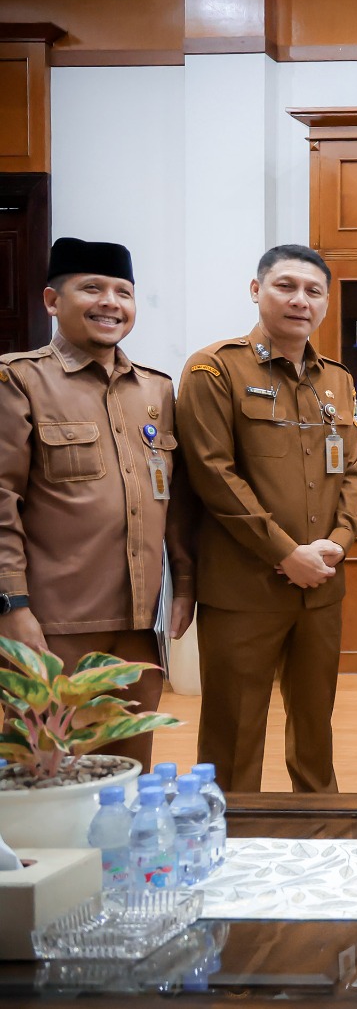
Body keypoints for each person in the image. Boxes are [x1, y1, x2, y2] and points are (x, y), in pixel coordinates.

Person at [0, 238, 195, 773]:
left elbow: (174, 501)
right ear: (51, 300)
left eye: (123, 292)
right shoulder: (19, 380)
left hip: (137, 627)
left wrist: (184, 582)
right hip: (50, 625)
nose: (110, 302)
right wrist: (11, 607)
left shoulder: (155, 390)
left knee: (129, 774)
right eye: (92, 288)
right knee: (46, 777)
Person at [176, 244, 357, 793]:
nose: (300, 300)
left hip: (321, 585)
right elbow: (213, 474)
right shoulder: (215, 368)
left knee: (316, 730)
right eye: (286, 286)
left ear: (325, 302)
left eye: (313, 291)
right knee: (233, 733)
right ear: (256, 290)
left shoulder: (337, 380)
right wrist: (285, 552)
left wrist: (339, 541)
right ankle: (231, 832)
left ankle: (319, 828)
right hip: (243, 588)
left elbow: (352, 471)